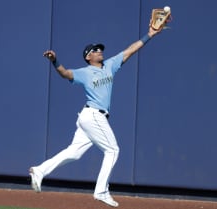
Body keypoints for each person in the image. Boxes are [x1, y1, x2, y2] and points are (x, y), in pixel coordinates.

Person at [29, 25, 162, 207]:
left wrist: (150, 35)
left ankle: (39, 170)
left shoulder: (110, 65)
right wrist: (55, 61)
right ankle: (101, 191)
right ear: (88, 57)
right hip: (92, 115)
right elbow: (65, 73)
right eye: (95, 50)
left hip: (90, 117)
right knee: (113, 150)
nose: (99, 51)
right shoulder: (84, 73)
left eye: (100, 49)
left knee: (74, 153)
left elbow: (131, 50)